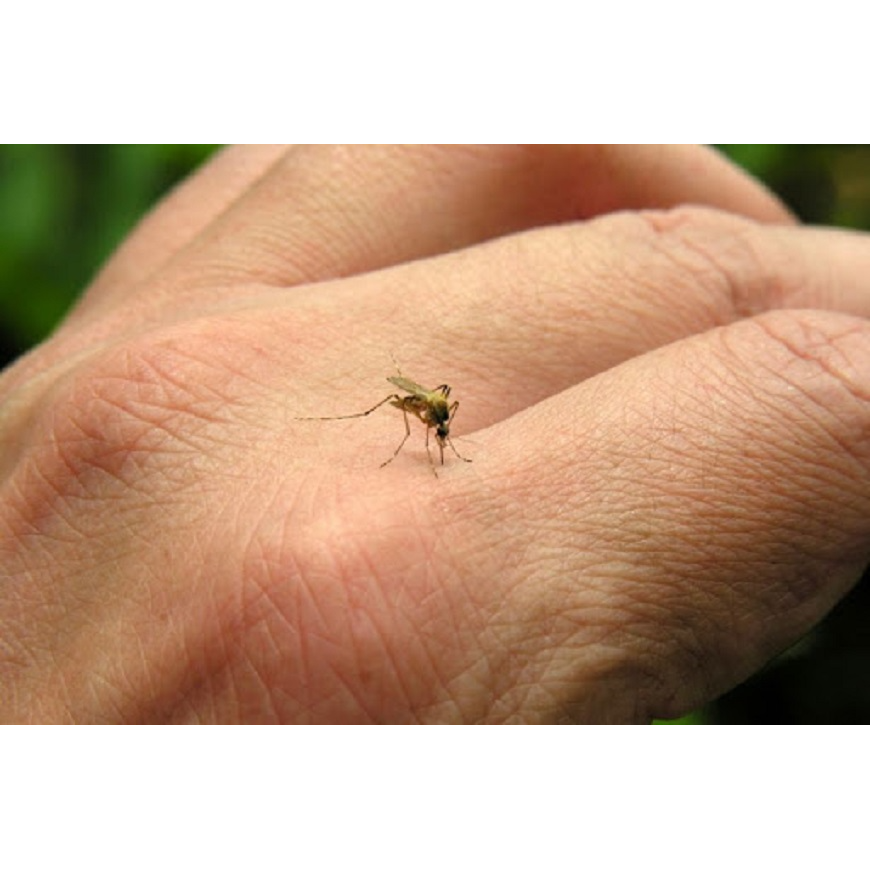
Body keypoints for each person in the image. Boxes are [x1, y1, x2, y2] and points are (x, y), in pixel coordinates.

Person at [1, 144, 868, 724]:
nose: (438, 422)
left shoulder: (442, 408)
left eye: (439, 418)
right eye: (438, 419)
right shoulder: (414, 409)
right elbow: (413, 403)